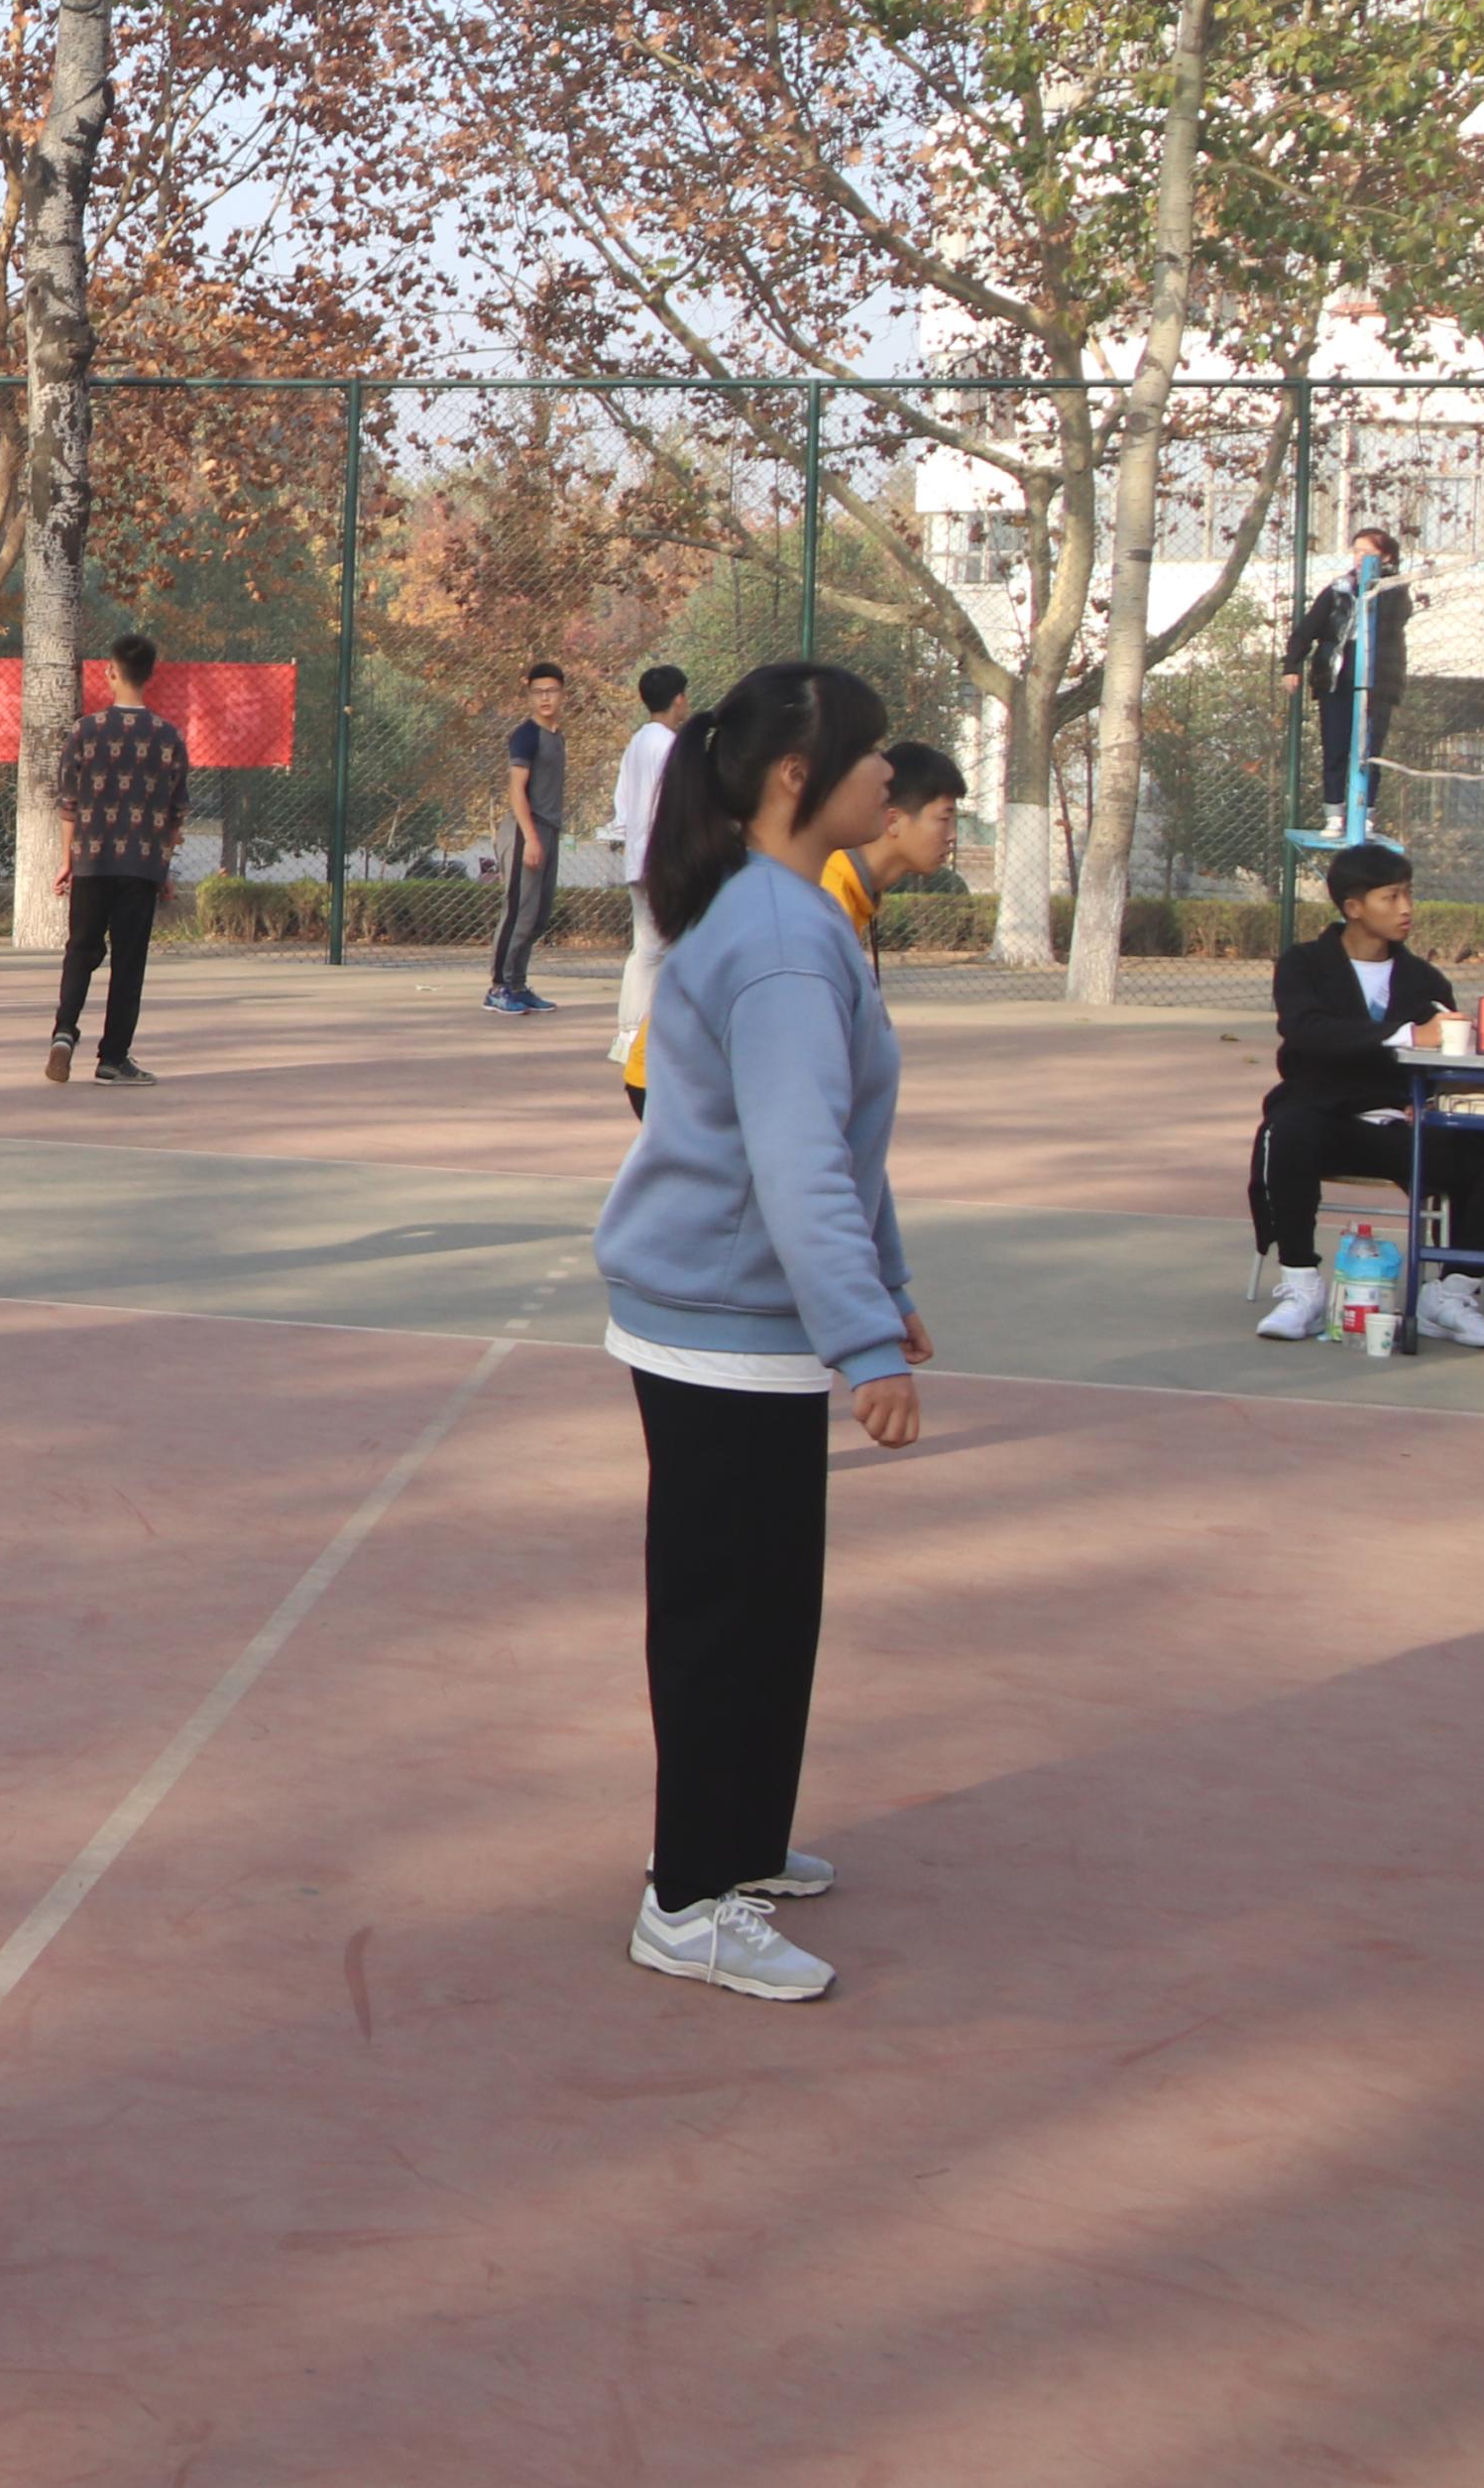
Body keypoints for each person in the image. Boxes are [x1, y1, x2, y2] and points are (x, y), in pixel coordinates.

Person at [592, 661, 924, 2005]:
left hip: (742, 1318)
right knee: (726, 1614)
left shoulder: (784, 910)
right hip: (720, 1322)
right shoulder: (782, 935)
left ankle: (735, 1844)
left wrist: (880, 1286)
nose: (889, 776)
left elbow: (842, 1139)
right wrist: (865, 1343)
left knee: (769, 1599)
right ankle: (686, 1899)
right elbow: (793, 1163)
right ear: (797, 776)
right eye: (871, 753)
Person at [1247, 838, 1484, 1347]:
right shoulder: (1304, 963)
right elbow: (1307, 1031)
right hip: (1324, 1116)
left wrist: (1440, 1092)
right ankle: (1301, 1288)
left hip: (1403, 1124)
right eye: (1391, 897)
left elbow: (1446, 1056)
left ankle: (1452, 1293)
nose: (1406, 908)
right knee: (1286, 1132)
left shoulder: (1424, 979)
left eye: (1408, 894)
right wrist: (1406, 1036)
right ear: (1353, 907)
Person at [618, 739, 966, 1118]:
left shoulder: (847, 886)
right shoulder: (825, 889)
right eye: (944, 818)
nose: (952, 835)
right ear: (894, 819)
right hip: (682, 1078)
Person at [46, 633, 189, 1085]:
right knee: (129, 961)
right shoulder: (168, 737)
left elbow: (69, 804)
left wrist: (68, 859)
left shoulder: (85, 732)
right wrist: (163, 867)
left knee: (81, 949)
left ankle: (64, 1032)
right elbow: (175, 814)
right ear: (150, 675)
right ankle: (113, 1058)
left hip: (92, 860)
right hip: (141, 865)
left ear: (110, 672)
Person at [1283, 525, 1411, 840]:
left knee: (1369, 750)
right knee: (1335, 747)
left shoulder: (1395, 590)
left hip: (1378, 682)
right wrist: (1292, 665)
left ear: (1386, 557)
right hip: (1336, 680)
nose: (1359, 557)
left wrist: (1376, 584)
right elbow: (1307, 630)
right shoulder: (1338, 589)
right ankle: (1334, 814)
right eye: (1356, 551)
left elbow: (1394, 618)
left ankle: (1365, 814)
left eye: (1368, 552)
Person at [609, 663, 690, 1076]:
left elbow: (622, 806)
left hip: (639, 857)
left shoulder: (638, 742)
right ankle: (638, 1036)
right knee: (660, 949)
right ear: (679, 699)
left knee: (647, 949)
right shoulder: (671, 746)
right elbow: (678, 805)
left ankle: (631, 1034)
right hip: (664, 858)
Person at [484, 660, 573, 1016]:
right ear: (529, 696)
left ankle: (518, 985)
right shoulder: (526, 735)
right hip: (525, 831)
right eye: (538, 692)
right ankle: (498, 988)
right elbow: (516, 789)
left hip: (549, 830)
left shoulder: (557, 736)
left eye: (551, 691)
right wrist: (531, 838)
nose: (545, 698)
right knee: (519, 911)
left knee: (538, 915)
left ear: (563, 694)